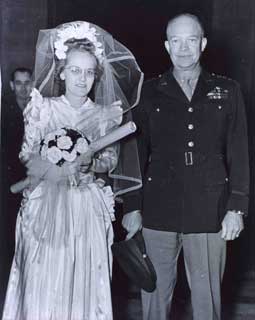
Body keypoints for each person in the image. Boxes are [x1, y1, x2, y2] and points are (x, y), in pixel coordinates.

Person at [2, 21, 143, 320]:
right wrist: (50, 167)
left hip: (85, 207)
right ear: (62, 72)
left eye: (90, 72)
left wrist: (92, 162)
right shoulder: (44, 107)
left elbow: (110, 160)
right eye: (76, 71)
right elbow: (26, 154)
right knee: (44, 280)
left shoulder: (105, 115)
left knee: (85, 282)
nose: (83, 79)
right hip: (45, 207)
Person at [122, 13, 249, 320]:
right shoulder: (148, 92)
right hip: (157, 208)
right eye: (175, 41)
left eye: (191, 40)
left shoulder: (227, 90)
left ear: (202, 44)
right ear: (166, 46)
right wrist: (131, 206)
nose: (183, 49)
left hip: (210, 209)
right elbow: (134, 153)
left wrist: (237, 208)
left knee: (207, 302)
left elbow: (239, 152)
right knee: (153, 296)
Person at [1, 68, 33, 258]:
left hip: (34, 179)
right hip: (10, 183)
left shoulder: (39, 110)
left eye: (27, 82)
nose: (23, 88)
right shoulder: (4, 111)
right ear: (12, 86)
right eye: (19, 83)